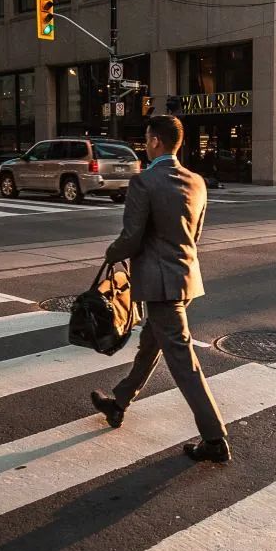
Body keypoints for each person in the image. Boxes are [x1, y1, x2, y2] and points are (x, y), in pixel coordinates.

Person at [90, 115, 230, 463]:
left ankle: (214, 439)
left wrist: (112, 253)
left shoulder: (145, 182)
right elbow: (194, 236)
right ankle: (119, 403)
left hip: (158, 282)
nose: (146, 144)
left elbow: (132, 236)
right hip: (185, 278)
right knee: (150, 345)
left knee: (184, 362)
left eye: (147, 138)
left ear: (155, 141)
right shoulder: (197, 181)